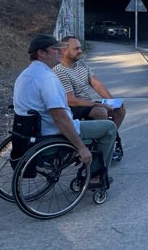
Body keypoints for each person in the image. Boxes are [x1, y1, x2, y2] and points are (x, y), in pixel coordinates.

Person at [13, 34, 116, 187]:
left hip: (31, 131)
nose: (60, 52)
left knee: (96, 114)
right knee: (109, 128)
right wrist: (81, 147)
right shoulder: (48, 78)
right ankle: (96, 177)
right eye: (55, 50)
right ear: (41, 53)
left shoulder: (25, 75)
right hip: (52, 132)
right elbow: (60, 118)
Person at [53, 35, 125, 161]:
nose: (80, 51)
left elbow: (95, 83)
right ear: (64, 50)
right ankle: (98, 153)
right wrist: (99, 105)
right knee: (101, 112)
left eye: (80, 48)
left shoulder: (80, 64)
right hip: (72, 107)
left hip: (85, 104)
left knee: (120, 110)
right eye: (76, 48)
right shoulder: (60, 71)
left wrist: (113, 101)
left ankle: (105, 144)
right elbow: (71, 100)